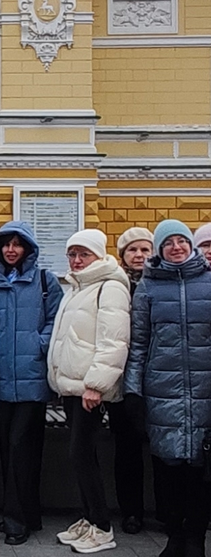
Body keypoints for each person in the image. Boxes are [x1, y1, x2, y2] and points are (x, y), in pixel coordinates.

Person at [124, 220, 211, 557]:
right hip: (163, 390)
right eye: (168, 243)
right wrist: (133, 390)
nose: (176, 247)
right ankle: (173, 536)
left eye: (181, 241)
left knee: (200, 472)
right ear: (159, 249)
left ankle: (195, 542)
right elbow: (139, 343)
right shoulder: (148, 287)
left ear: (190, 245)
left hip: (205, 392)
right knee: (168, 469)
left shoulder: (209, 282)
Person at [0, 222, 62, 545]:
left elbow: (57, 318)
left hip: (33, 377)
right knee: (9, 450)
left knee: (20, 447)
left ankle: (15, 521)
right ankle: (29, 513)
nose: (11, 250)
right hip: (3, 380)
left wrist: (40, 343)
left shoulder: (44, 281)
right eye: (6, 245)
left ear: (27, 248)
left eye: (17, 244)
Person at [48, 228, 130, 554]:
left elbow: (114, 341)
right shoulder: (77, 287)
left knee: (82, 455)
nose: (77, 260)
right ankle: (88, 518)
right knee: (82, 455)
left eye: (84, 254)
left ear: (98, 255)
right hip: (72, 385)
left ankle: (102, 527)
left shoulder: (110, 287)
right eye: (72, 254)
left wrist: (96, 385)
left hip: (89, 389)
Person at [109, 227, 155, 534]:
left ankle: (168, 510)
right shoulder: (116, 286)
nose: (139, 256)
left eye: (145, 250)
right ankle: (131, 511)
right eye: (132, 250)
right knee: (126, 449)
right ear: (123, 255)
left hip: (160, 378)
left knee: (164, 451)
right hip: (123, 378)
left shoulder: (163, 281)